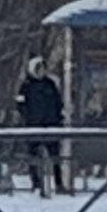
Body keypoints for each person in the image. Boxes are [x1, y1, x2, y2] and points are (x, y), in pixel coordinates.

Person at [13, 67, 67, 195]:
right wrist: (28, 117)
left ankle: (59, 184)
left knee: (55, 157)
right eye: (39, 69)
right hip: (33, 125)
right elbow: (20, 103)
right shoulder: (26, 85)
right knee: (33, 156)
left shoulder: (50, 84)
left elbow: (58, 102)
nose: (42, 72)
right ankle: (36, 183)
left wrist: (58, 117)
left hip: (51, 125)